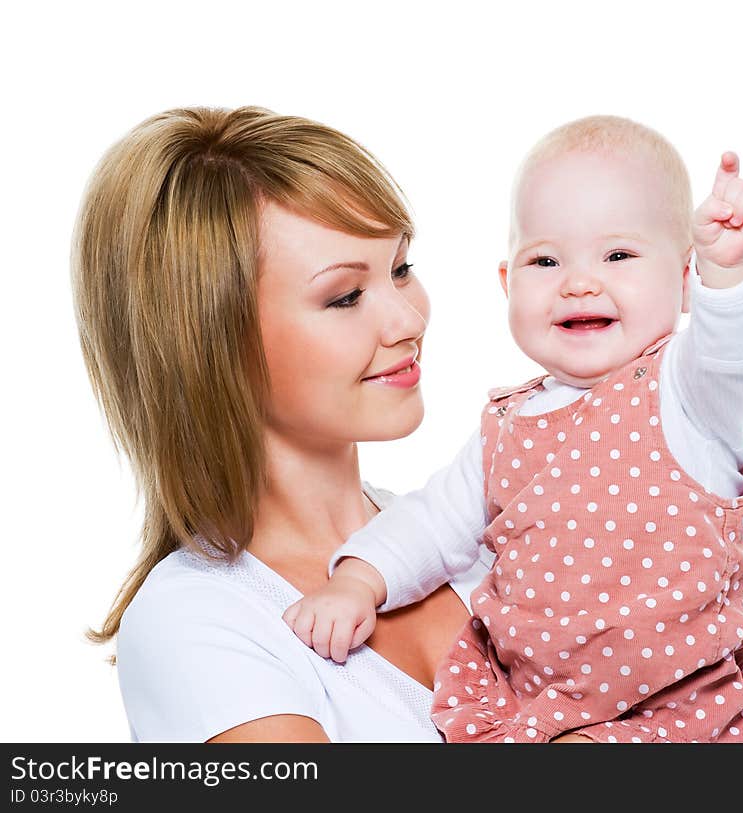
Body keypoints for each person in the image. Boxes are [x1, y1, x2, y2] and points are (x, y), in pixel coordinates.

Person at [283, 115, 743, 743]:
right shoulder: (506, 426)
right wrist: (356, 582)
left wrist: (728, 274)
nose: (579, 282)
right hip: (533, 706)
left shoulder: (687, 392)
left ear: (684, 279)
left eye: (619, 255)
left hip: (679, 711)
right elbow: (431, 524)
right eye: (545, 260)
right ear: (507, 283)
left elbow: (733, 353)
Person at [71, 105, 496, 743]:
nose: (408, 319)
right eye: (345, 296)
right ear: (211, 343)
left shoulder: (484, 538)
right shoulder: (198, 621)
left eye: (400, 268)